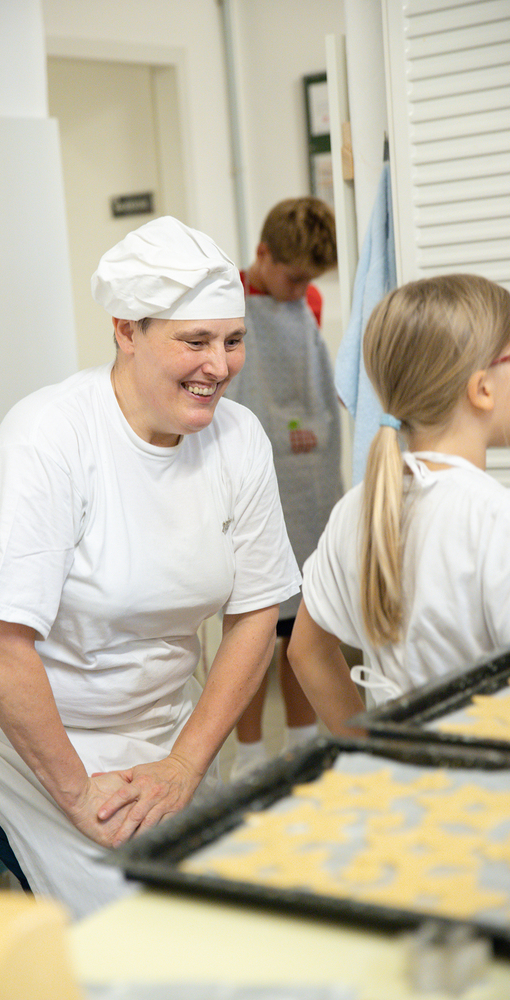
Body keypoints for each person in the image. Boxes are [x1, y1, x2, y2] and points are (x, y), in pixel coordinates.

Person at [0, 216, 301, 919]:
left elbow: (256, 613)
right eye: (195, 341)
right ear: (126, 330)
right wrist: (78, 795)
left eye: (232, 340)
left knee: (223, 899)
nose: (219, 365)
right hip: (13, 725)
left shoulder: (238, 440)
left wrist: (183, 764)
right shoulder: (50, 439)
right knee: (129, 922)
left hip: (153, 714)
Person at [288, 273, 510, 735]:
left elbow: (306, 651)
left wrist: (368, 745)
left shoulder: (356, 509)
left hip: (404, 773)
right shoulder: (494, 520)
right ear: (482, 388)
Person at [225, 197, 342, 779]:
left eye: (309, 281)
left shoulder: (309, 304)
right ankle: (248, 758)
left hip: (309, 484)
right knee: (252, 632)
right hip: (254, 478)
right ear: (262, 254)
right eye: (293, 278)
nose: (301, 292)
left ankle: (302, 746)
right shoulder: (228, 299)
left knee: (304, 624)